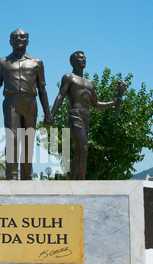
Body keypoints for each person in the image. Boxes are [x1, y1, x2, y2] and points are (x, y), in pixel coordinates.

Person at [0, 29, 54, 180]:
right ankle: (12, 176)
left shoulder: (37, 63)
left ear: (28, 41)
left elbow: (42, 89)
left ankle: (27, 176)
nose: (19, 38)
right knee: (12, 138)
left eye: (22, 37)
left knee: (29, 140)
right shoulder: (2, 63)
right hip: (11, 103)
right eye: (15, 37)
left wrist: (48, 113)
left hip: (30, 103)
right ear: (10, 41)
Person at [48, 51, 121, 180]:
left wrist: (113, 103)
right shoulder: (69, 77)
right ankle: (82, 182)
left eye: (84, 57)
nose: (84, 59)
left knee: (78, 152)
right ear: (73, 61)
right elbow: (61, 96)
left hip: (86, 117)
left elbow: (96, 104)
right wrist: (52, 114)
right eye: (80, 58)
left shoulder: (90, 83)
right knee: (84, 148)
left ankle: (73, 181)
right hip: (75, 115)